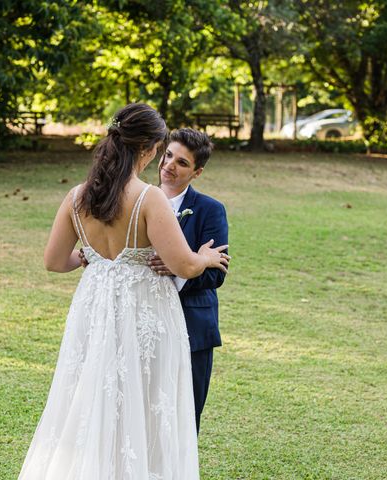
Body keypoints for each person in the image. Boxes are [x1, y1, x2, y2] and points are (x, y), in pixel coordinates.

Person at [17, 103, 229, 480]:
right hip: (145, 315)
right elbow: (183, 265)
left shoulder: (78, 196)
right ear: (148, 149)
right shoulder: (149, 198)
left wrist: (88, 257)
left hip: (95, 312)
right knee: (145, 406)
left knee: (92, 400)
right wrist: (206, 257)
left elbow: (53, 261)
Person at [147, 128, 228, 433]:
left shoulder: (210, 210)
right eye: (168, 155)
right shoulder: (138, 200)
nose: (169, 165)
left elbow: (215, 271)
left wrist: (180, 267)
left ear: (197, 172)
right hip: (144, 319)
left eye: (182, 162)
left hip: (192, 325)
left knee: (184, 415)